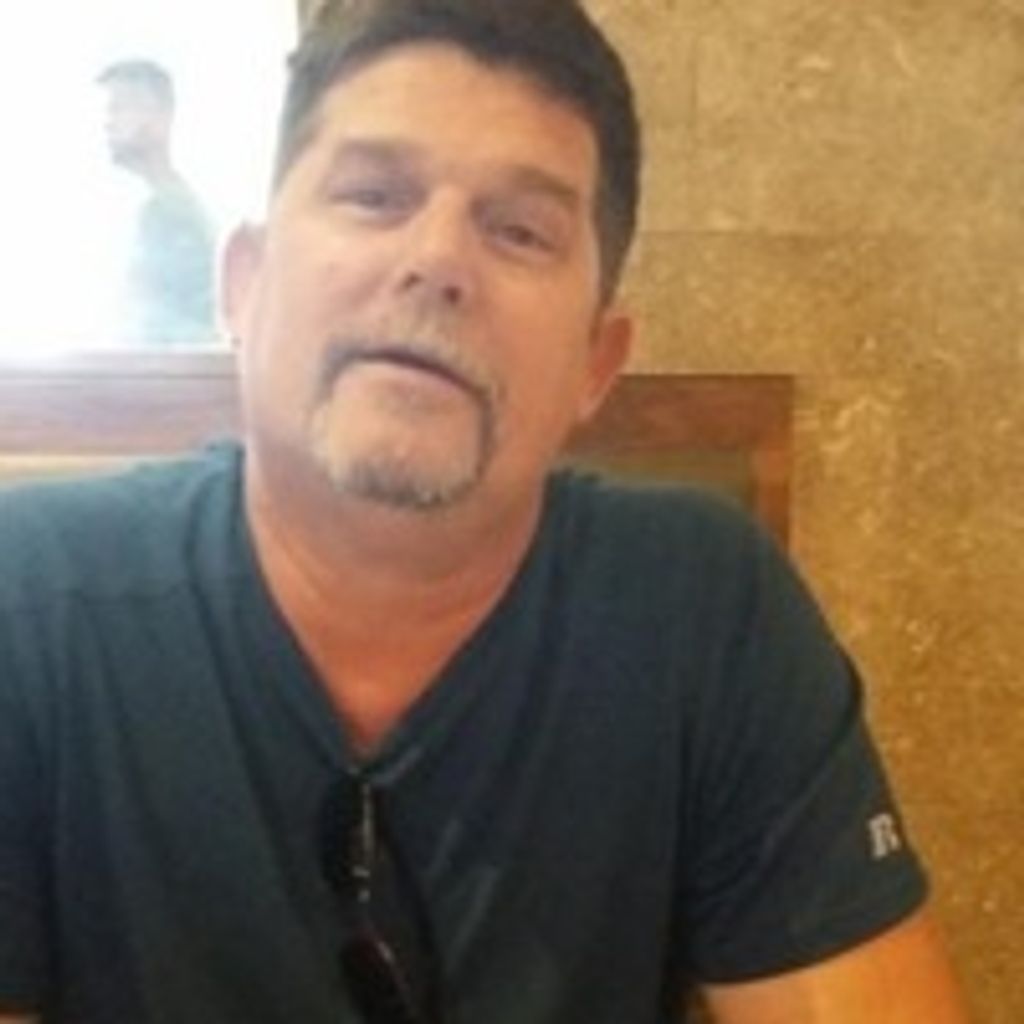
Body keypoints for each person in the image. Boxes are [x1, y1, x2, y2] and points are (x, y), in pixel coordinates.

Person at [0, 1, 970, 1021]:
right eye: (373, 195)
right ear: (243, 283)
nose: (437, 261)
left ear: (595, 364)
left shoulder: (704, 612)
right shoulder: (29, 605)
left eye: (519, 230)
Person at [97, 59, 216, 344]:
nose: (108, 122)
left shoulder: (169, 213)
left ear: (161, 118)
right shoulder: (162, 206)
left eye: (119, 108)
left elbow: (186, 334)